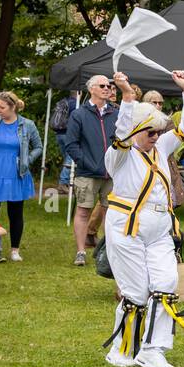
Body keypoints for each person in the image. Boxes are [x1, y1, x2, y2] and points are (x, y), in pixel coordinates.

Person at [101, 69, 184, 367]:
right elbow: (121, 133)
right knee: (136, 290)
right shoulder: (119, 154)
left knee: (166, 284)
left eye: (158, 131)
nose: (157, 137)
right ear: (136, 130)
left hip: (160, 229)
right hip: (126, 228)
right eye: (151, 132)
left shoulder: (162, 147)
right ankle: (124, 348)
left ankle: (153, 349)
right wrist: (127, 98)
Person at [0, 91, 42, 263]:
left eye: (2, 107)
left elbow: (38, 147)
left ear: (12, 107)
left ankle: (14, 250)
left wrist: (27, 160)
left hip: (15, 173)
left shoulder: (27, 125)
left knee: (15, 212)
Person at [64, 75, 119, 264]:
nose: (107, 88)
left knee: (111, 213)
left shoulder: (116, 113)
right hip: (87, 173)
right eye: (102, 85)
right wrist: (87, 163)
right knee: (83, 211)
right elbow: (71, 144)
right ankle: (81, 252)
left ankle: (109, 251)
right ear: (92, 89)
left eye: (109, 86)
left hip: (112, 174)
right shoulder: (79, 114)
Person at [49, 92, 78, 192]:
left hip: (59, 134)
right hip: (68, 134)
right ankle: (63, 182)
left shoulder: (63, 101)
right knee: (71, 158)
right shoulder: (75, 104)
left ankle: (67, 181)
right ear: (80, 93)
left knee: (67, 159)